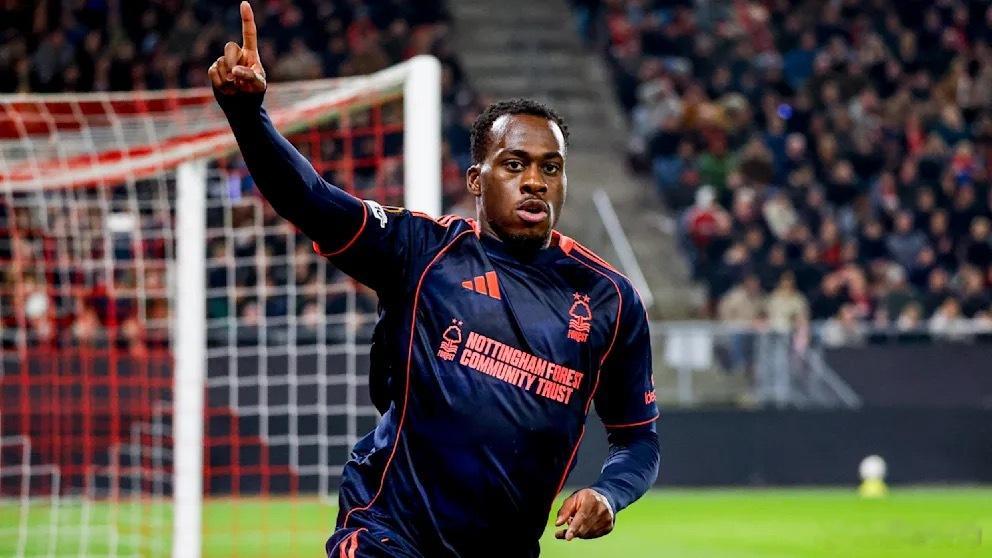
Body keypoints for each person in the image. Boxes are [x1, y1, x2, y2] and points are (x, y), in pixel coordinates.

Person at [209, 4, 659, 557]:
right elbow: (312, 202)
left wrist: (610, 494)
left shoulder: (609, 299)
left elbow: (637, 439)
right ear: (476, 179)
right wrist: (248, 116)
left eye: (550, 167)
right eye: (514, 164)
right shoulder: (421, 250)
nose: (535, 182)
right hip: (388, 534)